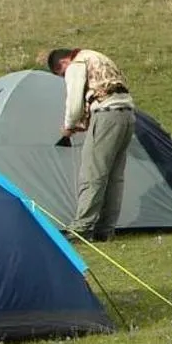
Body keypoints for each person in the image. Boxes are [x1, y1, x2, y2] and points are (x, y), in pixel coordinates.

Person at [43, 47, 135, 241]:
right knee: (114, 176)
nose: (64, 77)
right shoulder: (98, 57)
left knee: (93, 173)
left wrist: (69, 125)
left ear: (63, 64)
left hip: (106, 115)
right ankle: (105, 229)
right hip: (127, 114)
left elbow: (75, 100)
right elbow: (105, 90)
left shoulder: (76, 64)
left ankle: (81, 228)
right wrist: (85, 123)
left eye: (61, 75)